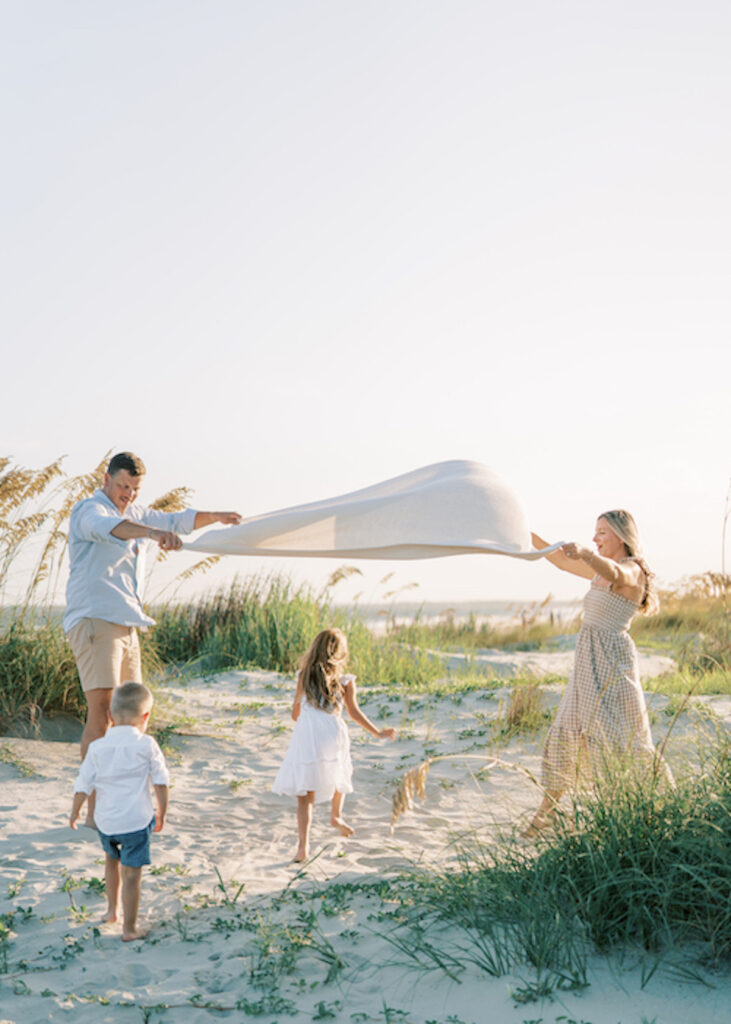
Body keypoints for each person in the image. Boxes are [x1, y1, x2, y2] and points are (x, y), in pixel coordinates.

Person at [64, 451, 240, 819]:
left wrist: (217, 517)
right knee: (102, 712)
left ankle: (125, 800)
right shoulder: (88, 510)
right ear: (107, 480)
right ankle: (94, 809)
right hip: (95, 619)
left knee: (134, 713)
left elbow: (179, 519)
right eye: (123, 485)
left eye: (134, 488)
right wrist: (154, 534)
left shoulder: (138, 513)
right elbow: (113, 529)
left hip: (129, 623)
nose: (128, 494)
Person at [525, 510, 672, 836]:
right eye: (594, 533)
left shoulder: (634, 570)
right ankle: (542, 817)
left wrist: (589, 555)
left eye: (602, 532)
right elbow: (560, 561)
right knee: (568, 733)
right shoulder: (597, 570)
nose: (595, 538)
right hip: (586, 663)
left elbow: (617, 573)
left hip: (612, 664)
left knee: (618, 741)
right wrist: (522, 532)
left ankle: (639, 816)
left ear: (621, 536)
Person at [272, 627, 397, 862]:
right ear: (339, 653)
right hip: (332, 730)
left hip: (308, 732)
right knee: (339, 770)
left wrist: (308, 714)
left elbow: (295, 714)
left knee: (305, 795)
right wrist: (378, 732)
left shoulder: (303, 675)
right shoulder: (345, 681)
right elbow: (354, 713)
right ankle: (336, 815)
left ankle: (303, 848)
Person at [70, 682, 168, 941]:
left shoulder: (97, 747)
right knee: (132, 874)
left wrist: (75, 812)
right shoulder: (147, 744)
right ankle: (130, 929)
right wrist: (162, 813)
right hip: (136, 822)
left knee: (111, 862)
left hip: (107, 823)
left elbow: (83, 783)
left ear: (110, 717)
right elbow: (160, 782)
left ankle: (111, 911)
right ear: (146, 717)